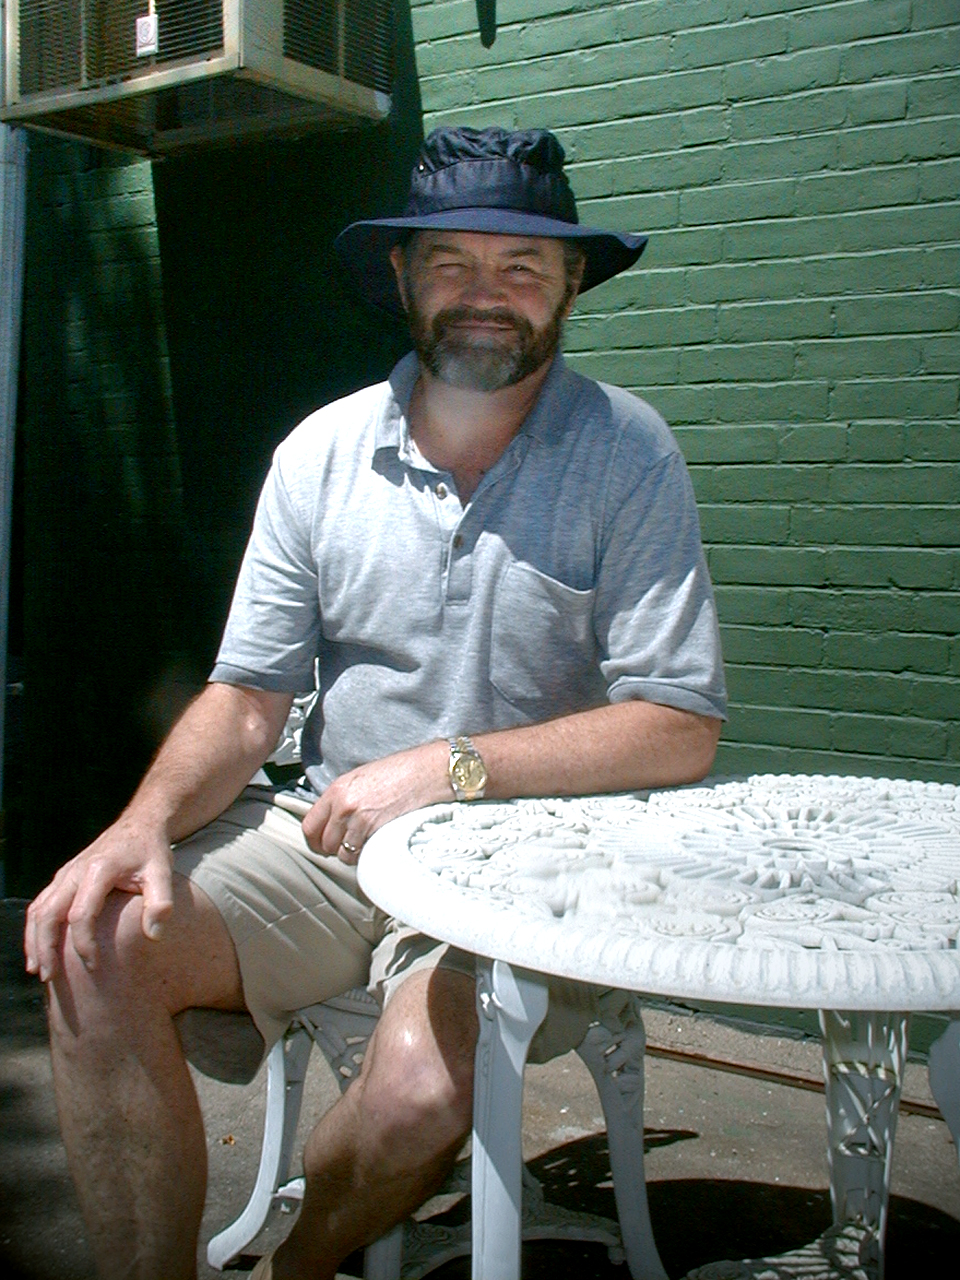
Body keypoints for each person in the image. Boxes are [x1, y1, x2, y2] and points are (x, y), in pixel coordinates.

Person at [24, 125, 727, 1280]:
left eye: (522, 267)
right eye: (452, 262)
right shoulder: (322, 453)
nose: (485, 294)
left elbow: (678, 721)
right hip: (328, 843)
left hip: (524, 869)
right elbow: (246, 697)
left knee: (416, 1088)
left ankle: (298, 1263)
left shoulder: (625, 452)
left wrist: (449, 765)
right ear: (402, 276)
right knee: (95, 939)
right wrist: (138, 823)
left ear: (572, 283)